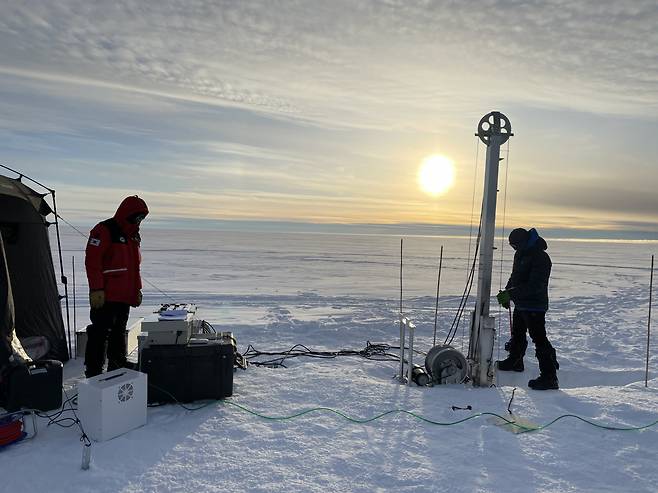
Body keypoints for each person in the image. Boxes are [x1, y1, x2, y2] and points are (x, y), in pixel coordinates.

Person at [84, 196, 149, 378]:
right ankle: (94, 370)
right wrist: (96, 289)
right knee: (99, 333)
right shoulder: (104, 230)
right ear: (127, 213)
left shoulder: (133, 236)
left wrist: (137, 290)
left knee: (119, 332)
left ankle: (117, 365)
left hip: (124, 296)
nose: (139, 221)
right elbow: (93, 261)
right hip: (106, 295)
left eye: (142, 218)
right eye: (137, 217)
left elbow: (134, 268)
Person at [496, 227, 559, 390]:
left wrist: (512, 294)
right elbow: (515, 276)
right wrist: (507, 291)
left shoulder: (541, 257)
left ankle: (549, 377)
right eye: (512, 246)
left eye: (516, 245)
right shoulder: (520, 254)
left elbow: (536, 285)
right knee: (517, 333)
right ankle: (515, 361)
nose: (514, 249)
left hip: (535, 305)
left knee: (539, 339)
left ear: (524, 242)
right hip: (521, 302)